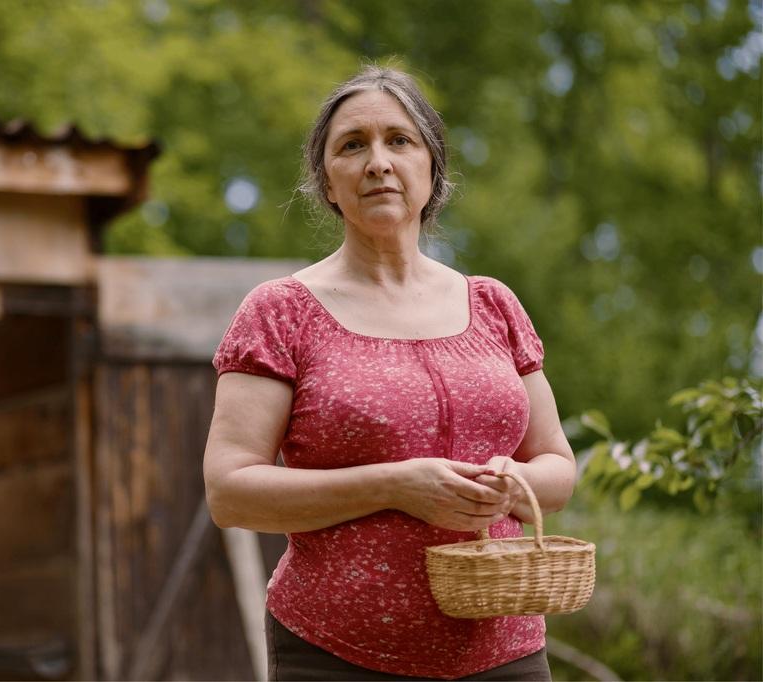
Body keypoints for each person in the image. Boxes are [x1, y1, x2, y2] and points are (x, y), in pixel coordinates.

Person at [202, 65, 576, 681]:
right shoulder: (282, 312)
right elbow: (229, 490)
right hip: (336, 655)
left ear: (433, 169)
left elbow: (557, 469)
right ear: (326, 181)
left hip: (506, 654)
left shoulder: (492, 304)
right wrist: (394, 485)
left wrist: (513, 485)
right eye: (353, 145)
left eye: (399, 140)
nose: (378, 162)